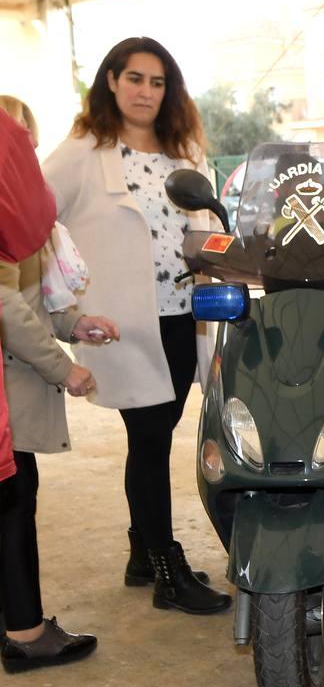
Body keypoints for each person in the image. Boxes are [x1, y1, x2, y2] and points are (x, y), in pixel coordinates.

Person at [42, 37, 230, 615]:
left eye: (157, 82)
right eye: (135, 79)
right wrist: (62, 294)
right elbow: (33, 215)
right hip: (123, 322)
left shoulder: (185, 148)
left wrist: (224, 264)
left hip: (184, 317)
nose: (146, 92)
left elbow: (208, 221)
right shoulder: (82, 150)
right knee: (148, 439)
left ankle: (139, 551)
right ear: (111, 82)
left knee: (157, 431)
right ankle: (167, 569)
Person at [0, 97, 117, 673]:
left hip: (17, 380)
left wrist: (77, 325)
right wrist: (61, 365)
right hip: (10, 387)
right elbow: (6, 309)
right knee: (13, 504)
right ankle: (25, 633)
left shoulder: (23, 209)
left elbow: (36, 298)